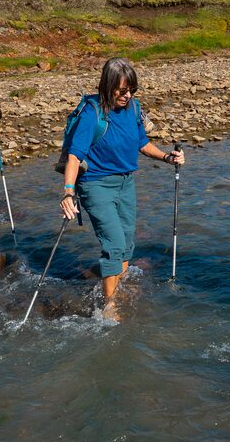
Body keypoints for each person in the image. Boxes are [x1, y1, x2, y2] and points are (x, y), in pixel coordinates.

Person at [59, 58, 184, 315]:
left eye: (132, 91)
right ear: (108, 86)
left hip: (126, 183)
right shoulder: (92, 113)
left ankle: (116, 284)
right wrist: (68, 192)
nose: (127, 96)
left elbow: (142, 143)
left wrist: (166, 157)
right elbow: (74, 157)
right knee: (114, 244)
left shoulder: (134, 109)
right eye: (122, 91)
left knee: (127, 243)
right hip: (96, 185)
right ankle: (109, 305)